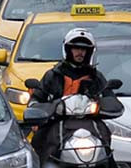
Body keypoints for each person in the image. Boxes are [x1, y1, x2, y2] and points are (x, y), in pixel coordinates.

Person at [28, 29, 113, 163]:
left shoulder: (96, 77)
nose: (80, 52)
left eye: (84, 49)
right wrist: (38, 110)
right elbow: (37, 98)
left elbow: (109, 98)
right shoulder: (53, 75)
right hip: (56, 121)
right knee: (39, 139)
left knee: (105, 135)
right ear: (68, 50)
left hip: (89, 121)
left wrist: (107, 104)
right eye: (76, 48)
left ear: (90, 52)